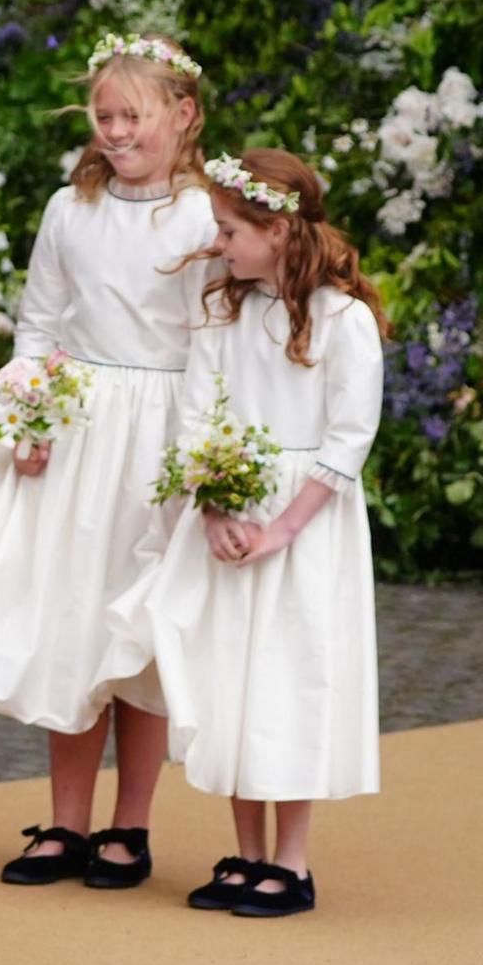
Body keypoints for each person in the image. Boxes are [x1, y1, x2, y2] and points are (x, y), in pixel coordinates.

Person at [0, 35, 217, 892]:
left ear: (182, 116)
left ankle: (129, 826)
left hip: (163, 432)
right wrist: (29, 412)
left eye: (131, 117)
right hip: (82, 431)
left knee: (134, 629)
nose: (113, 132)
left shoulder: (206, 218)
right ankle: (67, 822)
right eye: (103, 117)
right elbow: (40, 325)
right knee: (72, 617)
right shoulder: (72, 209)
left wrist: (204, 449)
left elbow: (217, 340)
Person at [103, 149, 386, 918]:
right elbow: (198, 412)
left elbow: (348, 437)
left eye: (231, 231)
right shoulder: (225, 310)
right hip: (232, 514)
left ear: (279, 228)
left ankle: (291, 863)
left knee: (290, 677)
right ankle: (245, 852)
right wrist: (218, 506)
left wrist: (283, 530)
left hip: (305, 529)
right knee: (231, 677)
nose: (219, 244)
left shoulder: (344, 318)